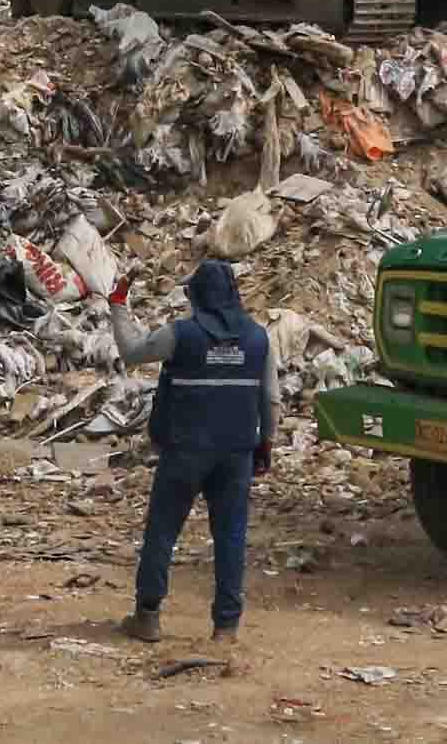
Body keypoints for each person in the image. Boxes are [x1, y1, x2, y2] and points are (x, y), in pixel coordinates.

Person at [108, 260, 275, 644]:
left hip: (186, 449)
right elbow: (271, 397)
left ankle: (147, 617)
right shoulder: (258, 338)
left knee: (163, 530)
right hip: (235, 452)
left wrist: (118, 305)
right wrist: (265, 442)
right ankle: (226, 627)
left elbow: (132, 352)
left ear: (196, 296)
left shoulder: (180, 335)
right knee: (231, 536)